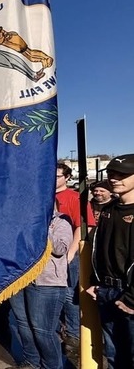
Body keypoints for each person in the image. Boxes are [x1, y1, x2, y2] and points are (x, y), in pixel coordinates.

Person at [8, 201, 72, 369]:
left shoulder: (61, 222)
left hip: (47, 284)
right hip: (20, 279)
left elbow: (59, 249)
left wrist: (42, 226)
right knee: (23, 324)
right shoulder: (22, 221)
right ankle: (31, 362)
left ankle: (51, 366)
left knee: (43, 331)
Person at [87, 154, 134, 369]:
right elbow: (99, 249)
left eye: (123, 174)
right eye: (112, 173)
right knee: (114, 353)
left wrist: (131, 298)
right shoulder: (108, 210)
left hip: (129, 295)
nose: (115, 178)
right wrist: (94, 281)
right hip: (106, 290)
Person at [54, 162, 95, 361]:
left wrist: (70, 254)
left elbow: (83, 227)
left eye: (58, 176)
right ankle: (55, 326)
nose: (53, 180)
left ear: (67, 178)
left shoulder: (75, 198)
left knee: (70, 294)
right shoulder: (43, 195)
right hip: (47, 256)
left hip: (69, 253)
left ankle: (72, 333)